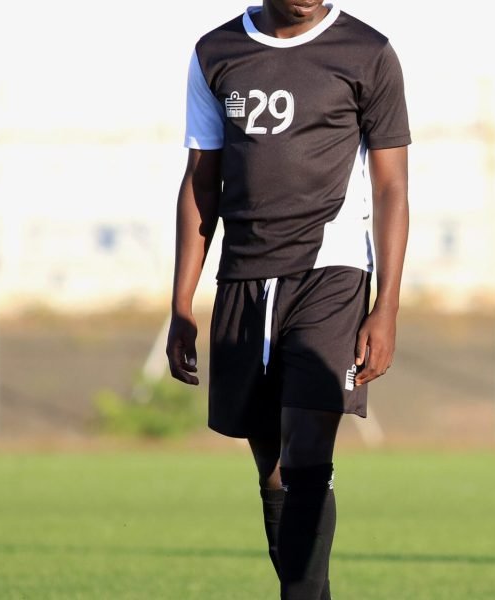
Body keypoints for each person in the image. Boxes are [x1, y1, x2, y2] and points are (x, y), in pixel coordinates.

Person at [166, 2, 410, 598]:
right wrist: (180, 305)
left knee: (307, 451)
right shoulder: (215, 52)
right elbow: (203, 179)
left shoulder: (367, 52)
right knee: (272, 468)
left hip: (332, 272)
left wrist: (387, 306)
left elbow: (391, 185)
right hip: (244, 279)